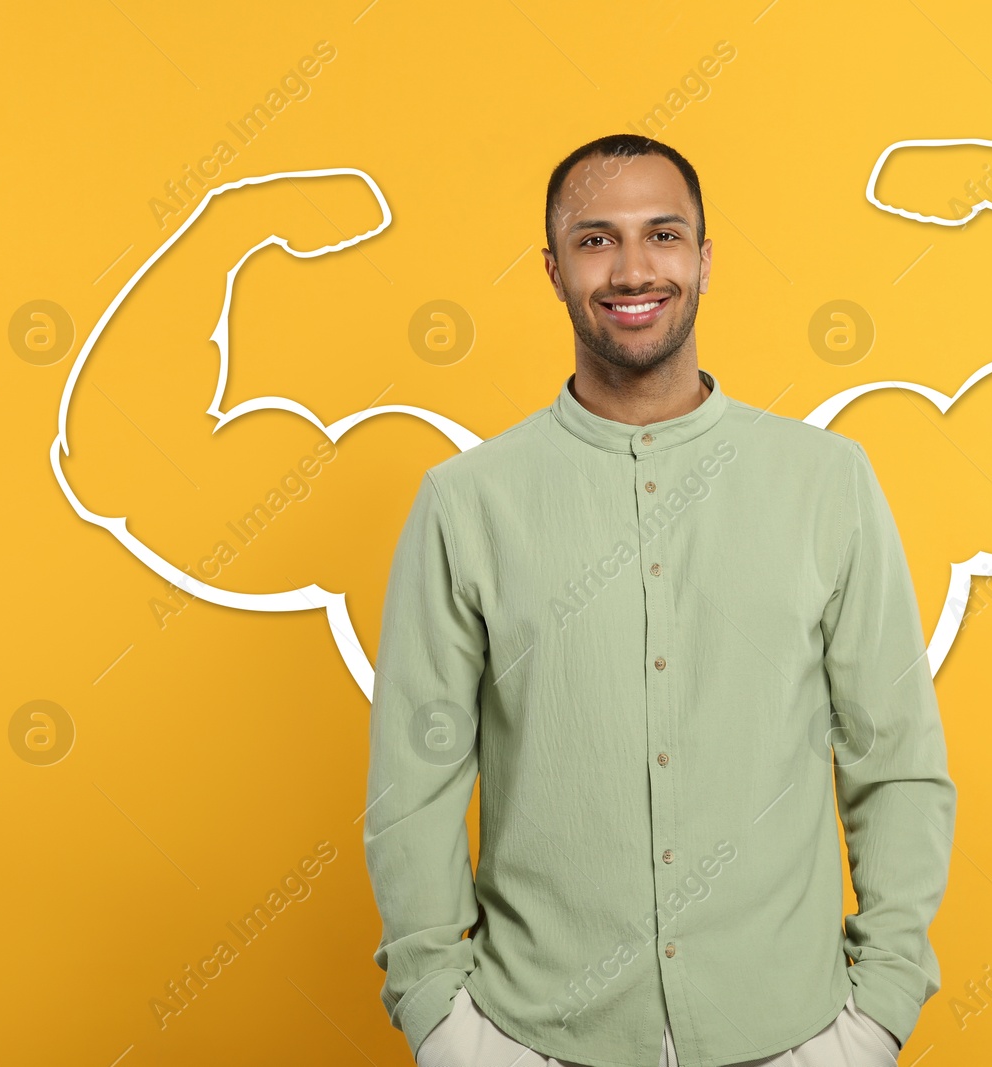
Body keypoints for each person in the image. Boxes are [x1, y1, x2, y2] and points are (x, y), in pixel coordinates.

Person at [364, 133, 956, 1067]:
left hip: (796, 1033)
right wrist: (443, 1021)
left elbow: (897, 759)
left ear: (705, 260)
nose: (633, 268)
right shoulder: (466, 502)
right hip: (532, 1038)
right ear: (553, 269)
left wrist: (877, 1011)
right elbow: (415, 780)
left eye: (663, 234)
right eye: (596, 240)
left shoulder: (826, 482)